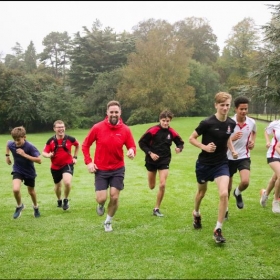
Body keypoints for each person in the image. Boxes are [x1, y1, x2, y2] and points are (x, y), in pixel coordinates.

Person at [189, 92, 238, 244]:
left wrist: (233, 150)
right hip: (204, 164)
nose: (225, 108)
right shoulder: (207, 123)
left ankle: (218, 229)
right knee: (201, 193)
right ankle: (196, 213)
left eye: (227, 105)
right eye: (222, 105)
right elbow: (191, 138)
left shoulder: (231, 123)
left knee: (224, 194)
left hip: (221, 163)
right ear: (216, 105)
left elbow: (227, 137)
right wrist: (204, 146)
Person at [82, 100, 136, 232]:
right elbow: (85, 145)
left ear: (120, 113)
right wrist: (89, 162)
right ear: (107, 113)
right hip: (101, 169)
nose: (114, 114)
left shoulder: (125, 130)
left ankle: (108, 221)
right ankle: (100, 205)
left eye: (116, 112)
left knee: (114, 196)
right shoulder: (97, 127)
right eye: (111, 112)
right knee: (101, 198)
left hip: (118, 168)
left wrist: (131, 151)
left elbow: (132, 145)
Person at [138, 110, 184, 217]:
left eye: (168, 121)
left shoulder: (172, 132)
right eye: (163, 121)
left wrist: (179, 148)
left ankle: (156, 208)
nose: (165, 123)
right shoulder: (153, 130)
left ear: (170, 121)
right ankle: (152, 185)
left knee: (162, 184)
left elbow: (180, 143)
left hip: (164, 160)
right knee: (152, 186)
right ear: (160, 120)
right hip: (151, 160)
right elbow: (142, 143)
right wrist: (150, 153)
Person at [226, 96, 257, 218]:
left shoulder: (251, 122)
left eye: (246, 109)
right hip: (228, 157)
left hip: (244, 156)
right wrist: (232, 138)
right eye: (241, 109)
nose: (244, 111)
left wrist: (252, 142)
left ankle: (237, 192)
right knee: (226, 187)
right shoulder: (229, 122)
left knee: (245, 182)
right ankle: (226, 209)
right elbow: (223, 139)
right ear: (236, 109)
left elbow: (254, 132)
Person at [42, 120, 80, 211]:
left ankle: (66, 199)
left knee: (67, 182)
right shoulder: (50, 141)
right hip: (55, 167)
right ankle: (59, 200)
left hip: (67, 164)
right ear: (54, 129)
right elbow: (44, 152)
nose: (61, 129)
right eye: (59, 127)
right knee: (57, 186)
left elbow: (77, 145)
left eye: (62, 127)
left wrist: (75, 157)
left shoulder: (70, 139)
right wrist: (48, 155)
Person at [6, 126, 42, 219]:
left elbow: (39, 160)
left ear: (24, 137)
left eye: (18, 140)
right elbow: (8, 143)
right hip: (17, 170)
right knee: (16, 189)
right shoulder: (12, 144)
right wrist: (7, 156)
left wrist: (24, 154)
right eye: (14, 140)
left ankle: (35, 207)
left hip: (29, 172)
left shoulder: (30, 146)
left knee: (31, 191)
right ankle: (19, 206)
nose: (16, 142)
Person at [259, 120, 280, 213]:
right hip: (273, 154)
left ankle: (265, 194)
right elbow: (266, 131)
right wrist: (268, 141)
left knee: (275, 178)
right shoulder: (275, 124)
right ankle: (275, 201)